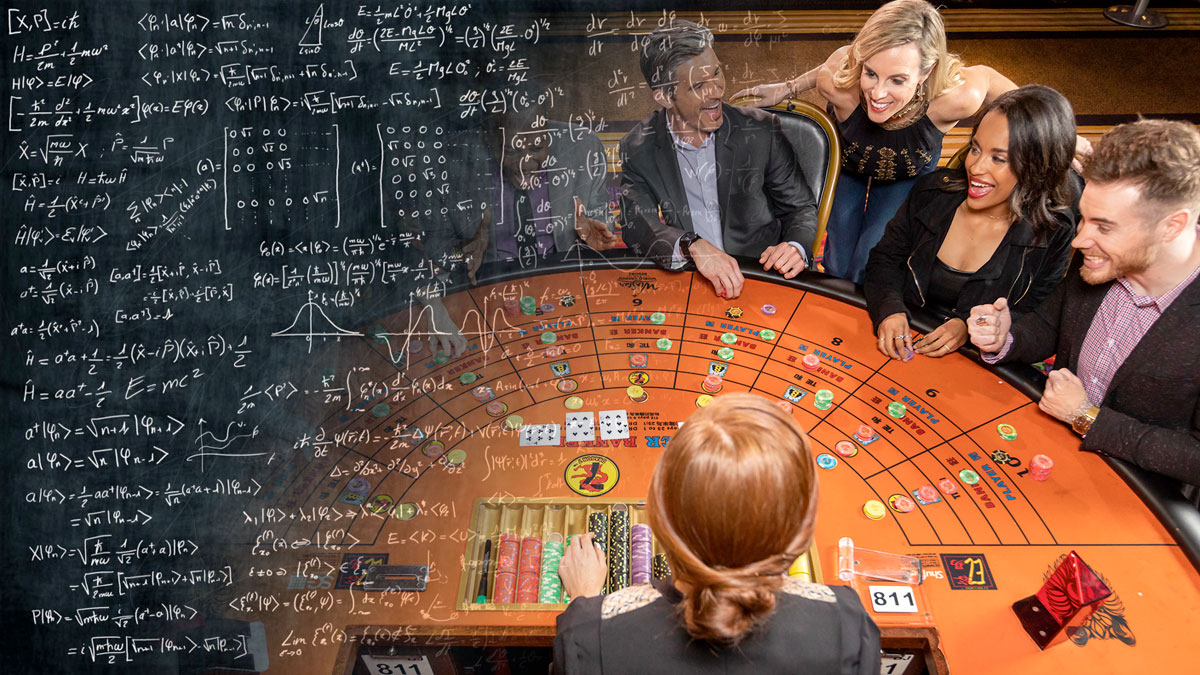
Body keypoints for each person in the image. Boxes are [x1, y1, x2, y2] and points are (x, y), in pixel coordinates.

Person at [734, 0, 1087, 284]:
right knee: (838, 264)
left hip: (907, 174)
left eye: (898, 80)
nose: (878, 93)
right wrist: (788, 87)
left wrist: (1056, 136)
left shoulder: (958, 96)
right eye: (870, 73)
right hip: (848, 166)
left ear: (927, 72)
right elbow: (837, 61)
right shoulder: (838, 82)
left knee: (870, 261)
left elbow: (996, 83)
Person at [553, 394, 881, 674]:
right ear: (802, 526)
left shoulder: (585, 630)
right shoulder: (849, 623)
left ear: (661, 517)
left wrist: (586, 601)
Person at [968, 119, 1200, 487]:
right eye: (1084, 219)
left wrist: (1086, 416)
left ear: (1172, 226)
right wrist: (1005, 337)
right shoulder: (1103, 254)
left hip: (1136, 500)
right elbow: (1052, 324)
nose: (1079, 241)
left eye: (1104, 227)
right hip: (1051, 457)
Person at [864, 85, 1078, 361]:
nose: (975, 167)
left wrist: (969, 325)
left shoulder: (1054, 232)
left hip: (975, 361)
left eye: (998, 158)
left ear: (1037, 169)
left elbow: (1037, 314)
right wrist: (890, 307)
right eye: (975, 149)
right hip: (900, 338)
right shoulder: (932, 192)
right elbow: (885, 259)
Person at [619, 20, 820, 300]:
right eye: (699, 85)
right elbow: (636, 224)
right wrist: (692, 245)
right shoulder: (638, 146)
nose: (716, 91)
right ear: (664, 96)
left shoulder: (761, 130)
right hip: (692, 278)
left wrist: (794, 246)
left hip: (761, 275)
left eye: (717, 73)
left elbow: (800, 208)